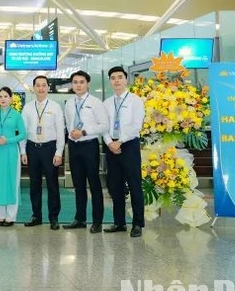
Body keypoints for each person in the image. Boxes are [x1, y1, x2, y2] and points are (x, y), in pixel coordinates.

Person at [63, 70, 109, 233]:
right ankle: (80, 219)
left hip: (89, 145)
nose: (78, 85)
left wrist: (84, 132)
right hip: (74, 146)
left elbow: (104, 125)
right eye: (75, 82)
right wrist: (72, 134)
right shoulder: (69, 103)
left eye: (81, 82)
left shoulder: (95, 102)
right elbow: (68, 123)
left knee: (94, 184)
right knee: (78, 185)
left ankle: (97, 221)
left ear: (87, 84)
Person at [103, 67, 146, 238]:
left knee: (134, 185)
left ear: (126, 79)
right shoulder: (106, 103)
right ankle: (119, 222)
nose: (116, 80)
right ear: (110, 81)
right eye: (113, 78)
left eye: (120, 77)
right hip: (111, 147)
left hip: (129, 145)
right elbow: (103, 126)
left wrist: (120, 141)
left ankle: (137, 224)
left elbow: (137, 126)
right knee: (115, 186)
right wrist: (109, 142)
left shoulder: (136, 101)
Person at [20, 75, 65, 230]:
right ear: (33, 88)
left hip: (49, 148)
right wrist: (23, 151)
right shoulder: (27, 107)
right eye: (38, 85)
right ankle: (36, 216)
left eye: (43, 85)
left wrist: (59, 152)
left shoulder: (55, 107)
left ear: (48, 87)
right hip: (32, 148)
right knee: (34, 184)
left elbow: (60, 131)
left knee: (52, 184)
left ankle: (54, 217)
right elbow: (23, 131)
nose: (41, 88)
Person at [0, 87, 27, 226]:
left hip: (11, 151)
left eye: (6, 96)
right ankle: (0, 216)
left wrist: (8, 140)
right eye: (0, 96)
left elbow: (23, 134)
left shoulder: (16, 115)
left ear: (11, 99)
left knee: (12, 182)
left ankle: (11, 217)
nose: (3, 99)